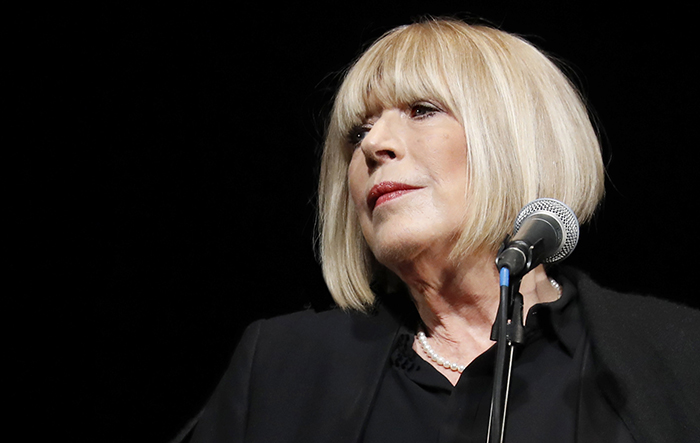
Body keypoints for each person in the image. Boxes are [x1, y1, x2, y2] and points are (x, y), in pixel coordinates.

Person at [180, 18, 700, 443]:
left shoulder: (677, 353)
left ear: (516, 142)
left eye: (422, 110)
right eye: (358, 132)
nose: (373, 146)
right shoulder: (280, 367)